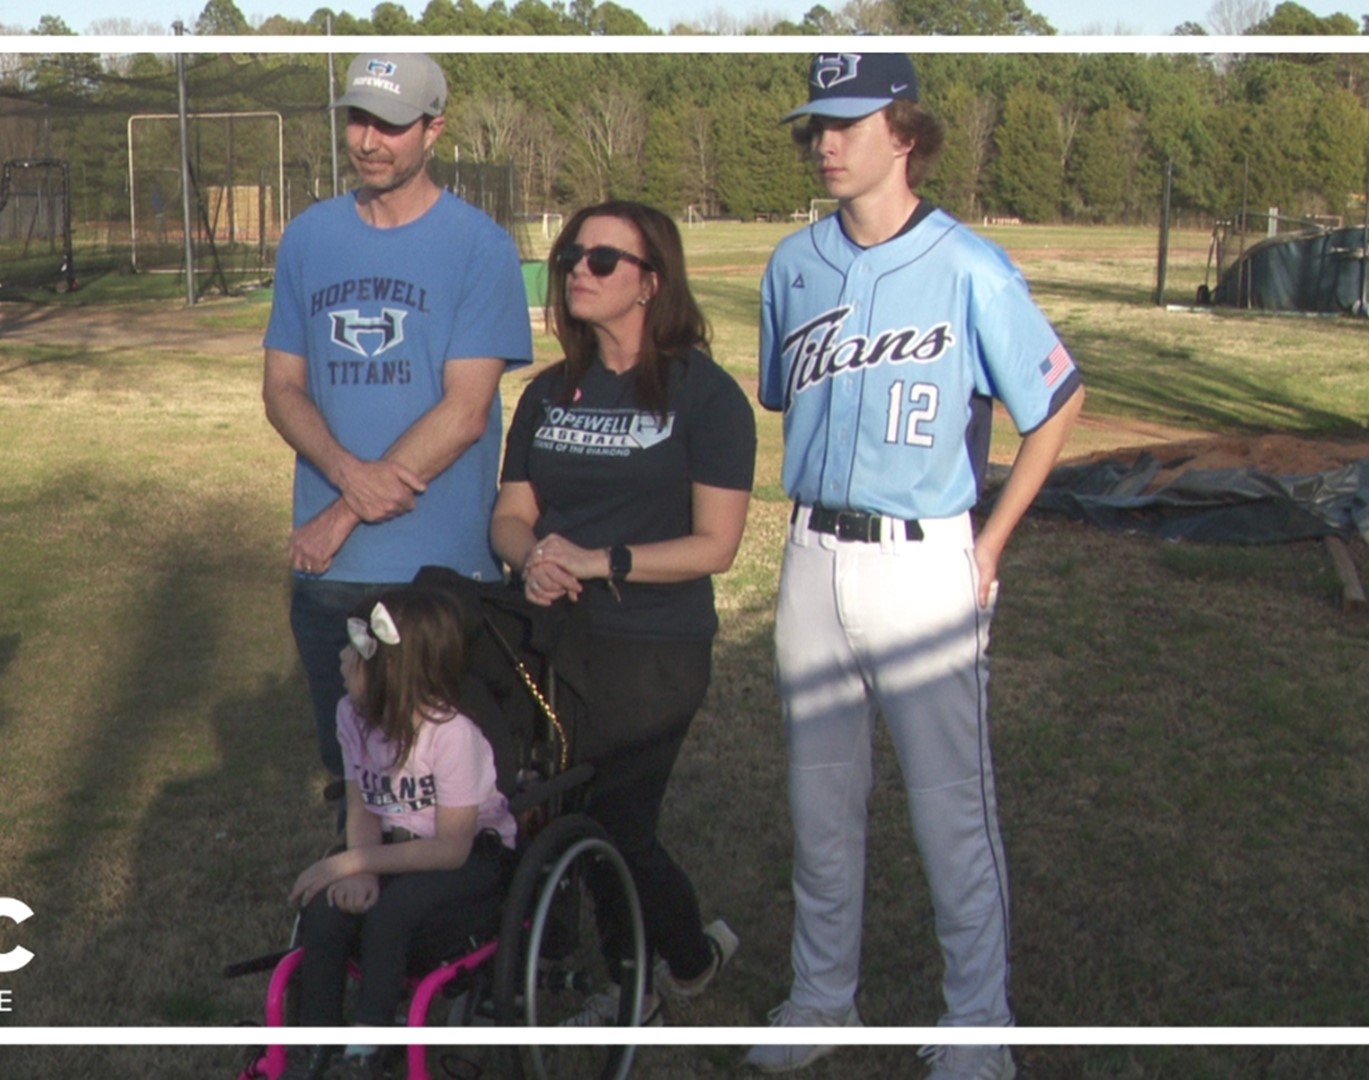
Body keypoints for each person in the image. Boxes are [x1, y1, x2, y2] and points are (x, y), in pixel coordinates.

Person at [744, 53, 1085, 1080]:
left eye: (848, 123)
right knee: (821, 801)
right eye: (818, 126)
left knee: (950, 808)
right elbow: (780, 392)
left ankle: (979, 1022)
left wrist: (989, 541)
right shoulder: (792, 263)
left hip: (924, 555)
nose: (827, 143)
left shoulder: (971, 264)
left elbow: (1057, 401)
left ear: (906, 133)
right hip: (811, 552)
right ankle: (820, 1000)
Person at [489, 200, 756, 1026]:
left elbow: (717, 544)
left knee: (616, 820)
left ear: (651, 283)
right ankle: (600, 958)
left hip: (654, 644)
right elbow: (508, 511)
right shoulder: (546, 394)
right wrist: (528, 557)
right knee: (546, 809)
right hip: (552, 638)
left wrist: (600, 563)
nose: (579, 268)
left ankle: (655, 973)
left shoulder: (704, 397)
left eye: (604, 259)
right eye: (573, 253)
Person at [263, 52, 533, 779]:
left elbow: (466, 412)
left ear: (433, 129)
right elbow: (282, 388)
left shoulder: (481, 247)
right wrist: (349, 480)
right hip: (328, 577)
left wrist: (343, 512)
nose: (369, 141)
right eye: (358, 120)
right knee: (351, 780)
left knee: (443, 790)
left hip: (437, 576)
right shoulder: (310, 238)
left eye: (390, 124)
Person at [282, 587, 517, 1080]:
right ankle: (314, 1044)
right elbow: (361, 801)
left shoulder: (452, 735)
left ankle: (368, 1048)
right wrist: (360, 863)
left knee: (392, 913)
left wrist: (353, 863)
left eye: (356, 650)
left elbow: (452, 849)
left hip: (470, 856)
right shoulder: (352, 715)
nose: (343, 657)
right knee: (326, 910)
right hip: (393, 849)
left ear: (391, 669)